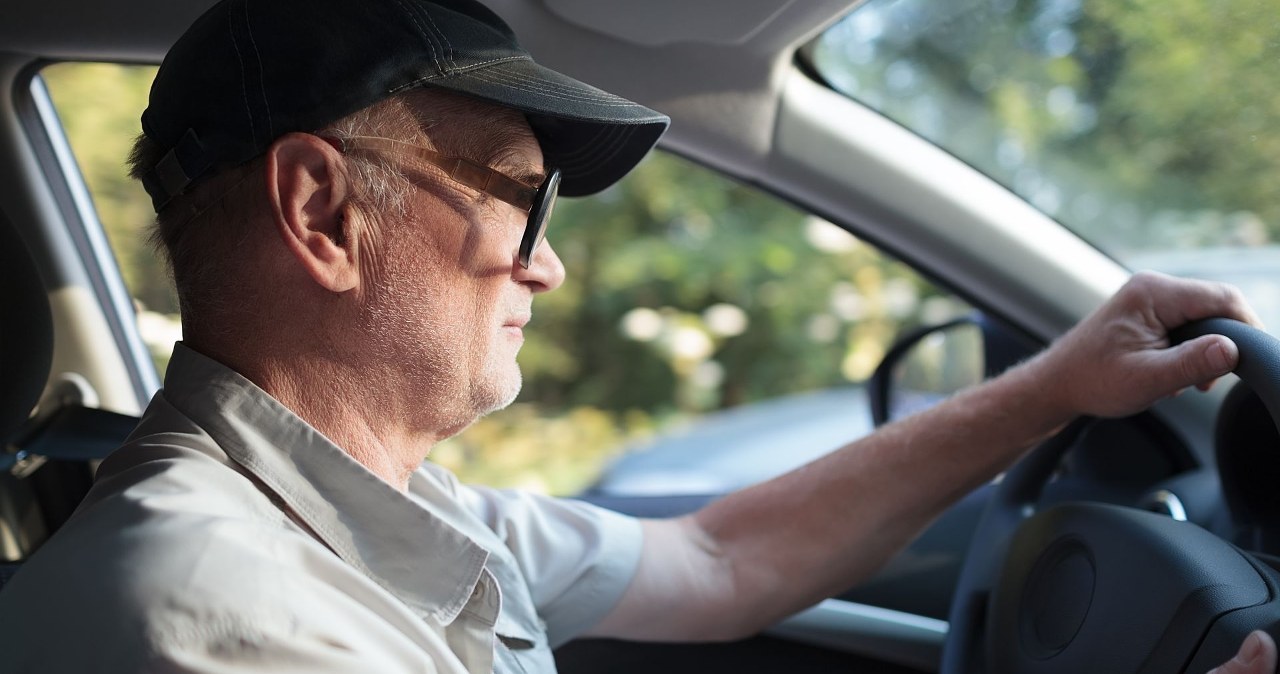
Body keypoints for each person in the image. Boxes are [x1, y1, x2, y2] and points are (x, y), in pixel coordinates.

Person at [0, 0, 1273, 672]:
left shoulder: (375, 513)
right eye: (522, 194)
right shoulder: (211, 616)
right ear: (324, 213)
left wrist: (1050, 384)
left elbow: (718, 558)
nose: (547, 263)